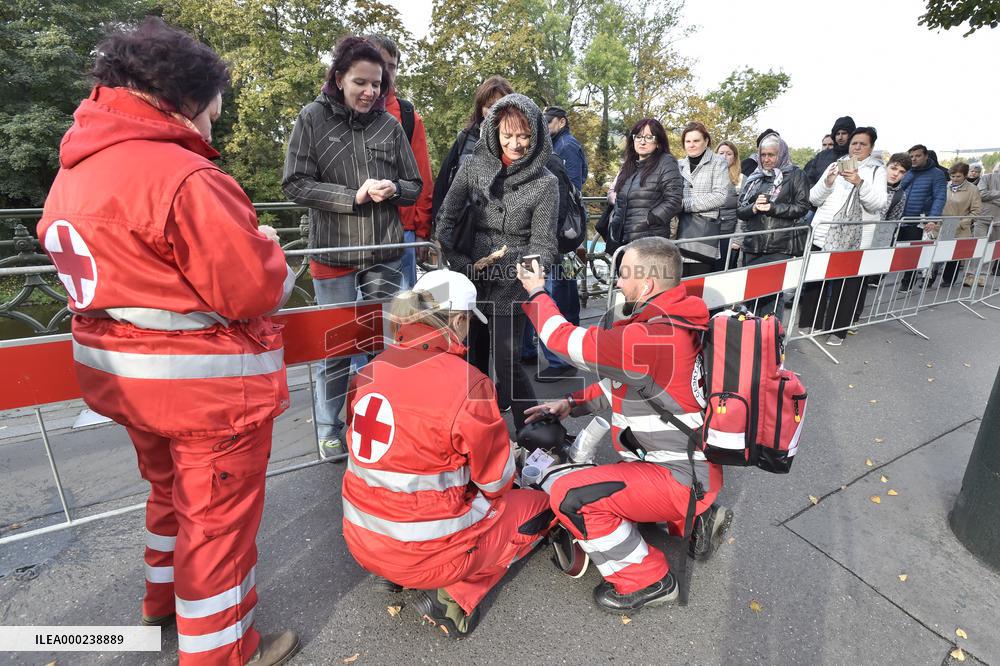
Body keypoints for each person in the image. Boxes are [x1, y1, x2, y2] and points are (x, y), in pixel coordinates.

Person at [38, 18, 298, 664]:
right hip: (207, 394)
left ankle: (161, 605)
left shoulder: (73, 173)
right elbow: (253, 287)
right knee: (217, 528)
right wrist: (268, 247)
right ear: (179, 99)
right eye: (210, 116)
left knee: (167, 498)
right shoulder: (183, 178)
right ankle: (223, 651)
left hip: (127, 385)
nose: (210, 132)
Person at [517, 238, 731, 613]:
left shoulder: (647, 337)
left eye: (623, 275)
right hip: (691, 467)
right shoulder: (678, 322)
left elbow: (562, 340)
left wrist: (536, 290)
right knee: (610, 483)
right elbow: (627, 385)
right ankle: (696, 519)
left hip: (676, 475)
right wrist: (571, 403)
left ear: (646, 285)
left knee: (570, 494)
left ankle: (648, 580)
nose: (617, 283)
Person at [341, 269, 552, 638]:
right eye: (469, 321)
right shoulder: (468, 383)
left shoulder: (370, 371)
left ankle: (391, 574)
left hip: (363, 538)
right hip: (426, 550)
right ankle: (453, 598)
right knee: (539, 507)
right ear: (457, 319)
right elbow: (496, 481)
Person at [283, 36, 422, 455]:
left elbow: (414, 185)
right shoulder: (311, 118)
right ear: (339, 78)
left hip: (383, 255)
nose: (370, 92)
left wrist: (394, 187)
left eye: (377, 84)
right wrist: (351, 196)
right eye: (361, 82)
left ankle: (382, 421)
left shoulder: (390, 125)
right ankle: (330, 430)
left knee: (385, 344)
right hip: (334, 255)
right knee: (337, 347)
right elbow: (295, 183)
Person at [435, 93, 558, 433]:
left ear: (536, 135)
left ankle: (534, 433)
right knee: (470, 357)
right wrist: (464, 265)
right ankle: (472, 430)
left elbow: (544, 246)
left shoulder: (546, 183)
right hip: (470, 279)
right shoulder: (473, 165)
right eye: (508, 135)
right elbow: (446, 220)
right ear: (494, 132)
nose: (515, 144)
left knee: (507, 363)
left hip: (512, 285)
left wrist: (515, 270)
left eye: (524, 136)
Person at [799, 127, 887, 346]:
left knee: (846, 286)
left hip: (855, 239)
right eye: (854, 143)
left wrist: (859, 183)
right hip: (824, 233)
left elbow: (878, 204)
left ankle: (837, 331)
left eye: (863, 144)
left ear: (871, 147)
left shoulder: (877, 171)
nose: (857, 147)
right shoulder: (833, 165)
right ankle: (810, 322)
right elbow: (813, 198)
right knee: (816, 280)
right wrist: (828, 182)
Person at [521, 105, 588, 382]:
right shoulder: (546, 153)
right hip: (545, 240)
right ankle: (528, 350)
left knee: (550, 295)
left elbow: (564, 195)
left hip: (550, 242)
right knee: (541, 293)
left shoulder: (558, 153)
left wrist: (547, 240)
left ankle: (559, 360)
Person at [365, 34, 435, 290]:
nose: (385, 72)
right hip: (355, 228)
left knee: (400, 311)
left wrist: (421, 232)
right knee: (356, 317)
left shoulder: (407, 116)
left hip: (401, 230)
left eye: (391, 66)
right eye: (378, 62)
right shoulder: (341, 111)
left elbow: (423, 178)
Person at [735, 134, 810, 319]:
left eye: (771, 155)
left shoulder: (795, 175)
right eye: (763, 154)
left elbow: (802, 207)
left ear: (781, 154)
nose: (766, 159)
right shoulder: (755, 177)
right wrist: (753, 207)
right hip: (753, 243)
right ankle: (753, 337)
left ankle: (772, 341)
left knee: (773, 296)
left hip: (780, 244)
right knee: (752, 293)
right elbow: (740, 211)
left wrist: (773, 207)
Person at [431, 75, 514, 221]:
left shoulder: (519, 143)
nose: (494, 111)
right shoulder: (465, 138)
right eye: (489, 106)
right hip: (466, 228)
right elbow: (443, 185)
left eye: (501, 105)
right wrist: (440, 225)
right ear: (481, 109)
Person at [605, 118, 683, 256]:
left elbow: (674, 200)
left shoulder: (666, 162)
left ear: (658, 141)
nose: (642, 141)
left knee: (643, 277)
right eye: (638, 136)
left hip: (648, 242)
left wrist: (650, 219)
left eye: (649, 137)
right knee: (623, 276)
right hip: (621, 240)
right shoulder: (629, 165)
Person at [677, 121, 729, 276]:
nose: (691, 145)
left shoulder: (718, 162)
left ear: (706, 141)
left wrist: (684, 205)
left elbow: (720, 196)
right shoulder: (678, 164)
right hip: (680, 229)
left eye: (696, 141)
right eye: (688, 141)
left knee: (698, 281)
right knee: (678, 280)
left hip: (703, 231)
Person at [896, 144, 947, 291]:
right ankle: (876, 278)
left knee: (913, 254)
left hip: (918, 220)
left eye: (917, 156)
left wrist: (932, 218)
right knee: (891, 249)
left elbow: (940, 197)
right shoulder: (906, 171)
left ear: (925, 156)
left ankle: (907, 284)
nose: (914, 159)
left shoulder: (936, 174)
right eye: (911, 156)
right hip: (899, 218)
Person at [932, 162, 983, 287]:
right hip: (941, 226)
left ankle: (948, 280)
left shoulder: (972, 190)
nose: (954, 179)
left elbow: (976, 212)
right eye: (952, 176)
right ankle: (928, 278)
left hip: (959, 228)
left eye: (958, 176)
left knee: (954, 256)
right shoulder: (945, 186)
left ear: (965, 176)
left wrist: (961, 223)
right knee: (935, 253)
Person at [804, 116, 856, 185]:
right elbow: (809, 180)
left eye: (844, 133)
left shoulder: (856, 156)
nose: (840, 137)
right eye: (838, 134)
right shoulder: (821, 156)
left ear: (851, 135)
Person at [716, 139, 743, 270]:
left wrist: (737, 239)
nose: (724, 157)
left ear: (734, 157)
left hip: (728, 234)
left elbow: (743, 213)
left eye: (728, 153)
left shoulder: (741, 179)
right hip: (707, 233)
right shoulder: (708, 176)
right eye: (721, 153)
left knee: (723, 273)